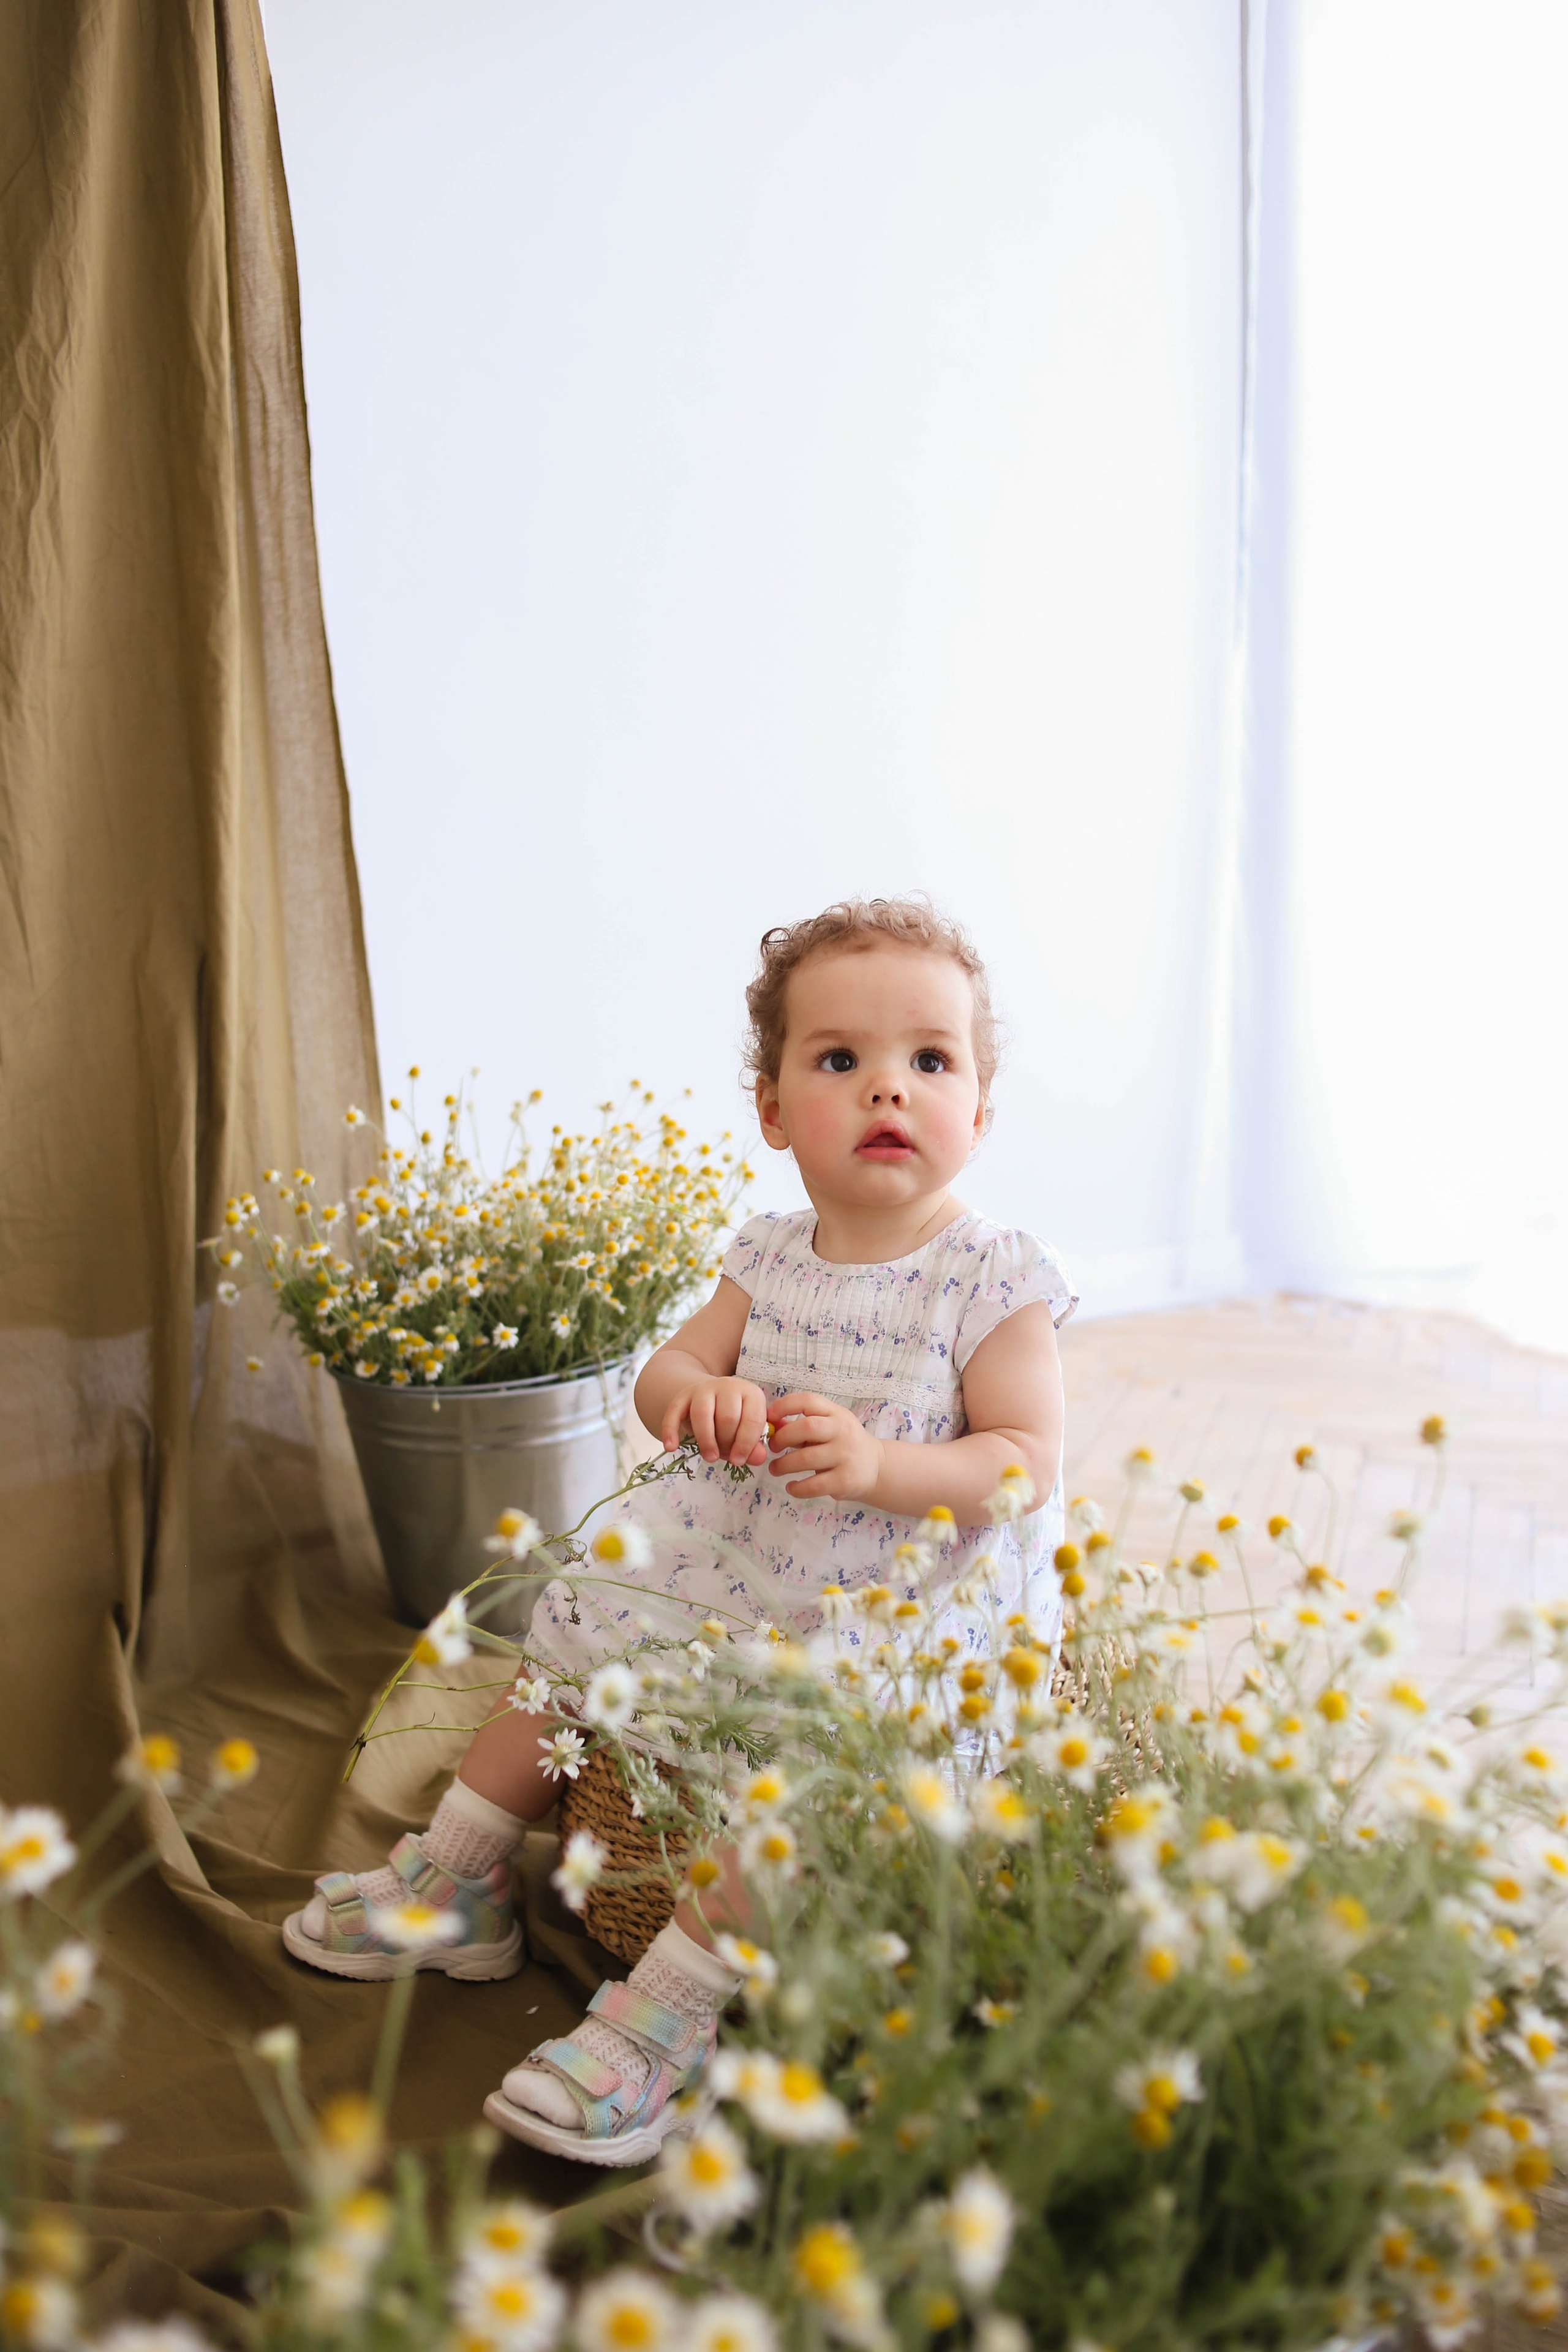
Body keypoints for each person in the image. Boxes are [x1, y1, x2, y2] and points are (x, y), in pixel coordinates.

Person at [283, 897, 1075, 2165]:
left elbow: (1023, 1466)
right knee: (586, 1620)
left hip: (902, 1588)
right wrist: (697, 1397)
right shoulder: (766, 1255)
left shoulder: (989, 1279)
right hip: (745, 1546)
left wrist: (879, 1465)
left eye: (929, 1060)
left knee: (816, 1750)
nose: (888, 1088)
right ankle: (463, 1871)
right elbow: (662, 1379)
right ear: (772, 1111)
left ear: (976, 1110)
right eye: (839, 1060)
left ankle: (668, 2018)